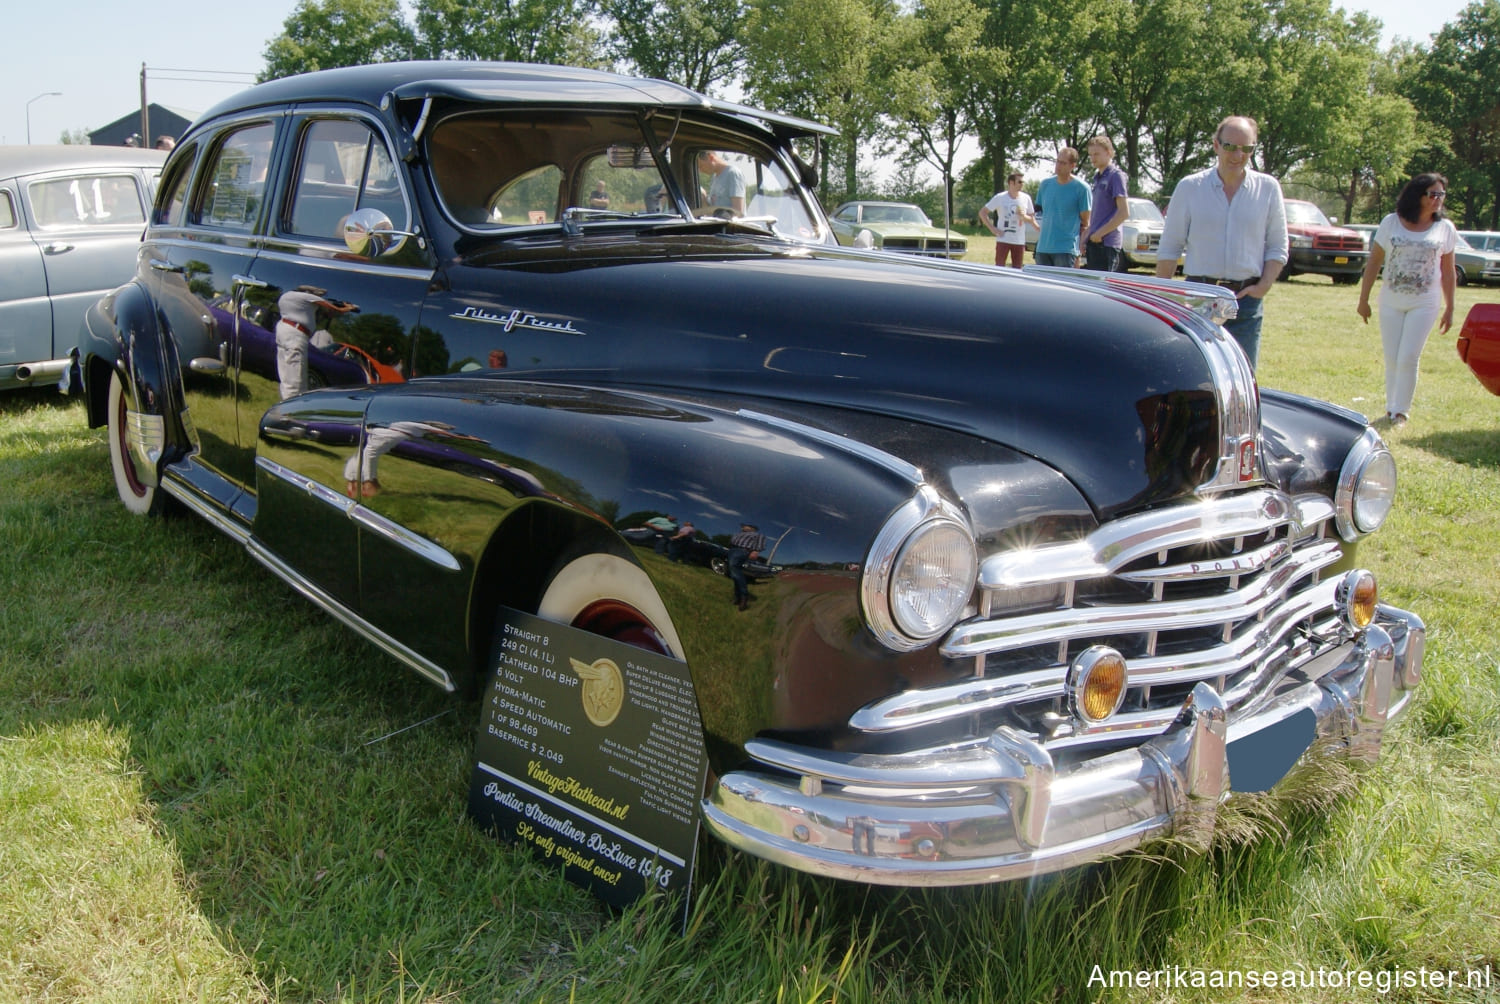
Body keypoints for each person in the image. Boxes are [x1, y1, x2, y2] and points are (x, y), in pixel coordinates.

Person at [1155, 116, 1288, 368]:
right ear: (1216, 145)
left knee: (1243, 378)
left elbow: (1278, 246)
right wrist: (1166, 297)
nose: (1238, 155)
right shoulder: (1190, 187)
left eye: (1247, 149)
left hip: (1246, 302)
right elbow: (1170, 246)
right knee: (1196, 377)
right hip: (1198, 299)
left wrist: (1263, 287)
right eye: (1230, 147)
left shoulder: (1268, 188)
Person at [1355, 173, 1457, 428]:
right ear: (1417, 196)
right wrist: (1363, 299)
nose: (1437, 200)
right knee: (1392, 357)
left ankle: (1402, 412)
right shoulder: (1391, 223)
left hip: (1424, 302)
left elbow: (1448, 271)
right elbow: (1374, 262)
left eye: (1441, 195)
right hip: (1391, 300)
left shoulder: (1445, 228)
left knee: (1409, 356)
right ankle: (1391, 408)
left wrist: (1450, 307)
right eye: (1432, 194)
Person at [276, 285, 357, 399]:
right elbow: (333, 309)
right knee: (296, 375)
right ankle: (291, 408)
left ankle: (287, 400)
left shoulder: (288, 297)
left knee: (286, 372)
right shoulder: (306, 297)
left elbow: (324, 314)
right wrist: (348, 308)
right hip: (296, 334)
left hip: (284, 329)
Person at [1033, 148, 1090, 268]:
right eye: (1057, 161)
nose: (1058, 165)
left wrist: (1079, 250)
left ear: (1072, 165)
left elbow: (1085, 222)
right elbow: (1039, 212)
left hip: (1066, 250)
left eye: (1063, 163)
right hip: (1043, 248)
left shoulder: (1082, 188)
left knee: (1063, 287)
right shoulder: (1045, 184)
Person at [1083, 135, 1128, 272]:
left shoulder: (1116, 176)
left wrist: (1100, 234)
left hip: (1107, 243)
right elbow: (1098, 214)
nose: (1093, 158)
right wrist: (1086, 237)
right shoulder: (1097, 178)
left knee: (1104, 288)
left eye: (1096, 154)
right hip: (1094, 242)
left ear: (1109, 152)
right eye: (1090, 155)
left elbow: (1123, 213)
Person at [979, 172, 1036, 268]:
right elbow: (982, 213)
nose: (1022, 184)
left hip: (1019, 240)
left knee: (1017, 269)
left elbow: (1032, 219)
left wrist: (1024, 216)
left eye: (1023, 182)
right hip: (1003, 239)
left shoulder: (1026, 198)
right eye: (1019, 182)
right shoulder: (1000, 197)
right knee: (999, 268)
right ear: (1011, 183)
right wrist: (992, 228)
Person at [727, 523, 766, 611]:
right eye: (743, 526)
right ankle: (738, 597)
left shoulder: (757, 535)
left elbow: (760, 544)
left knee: (735, 569)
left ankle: (744, 596)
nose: (743, 527)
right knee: (734, 574)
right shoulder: (738, 534)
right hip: (732, 550)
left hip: (743, 550)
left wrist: (755, 551)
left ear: (752, 528)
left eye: (745, 526)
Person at [697, 150, 745, 216]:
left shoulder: (732, 173)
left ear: (710, 157)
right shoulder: (714, 178)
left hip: (730, 225)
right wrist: (703, 197)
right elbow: (712, 212)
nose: (700, 171)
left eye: (701, 166)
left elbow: (738, 212)